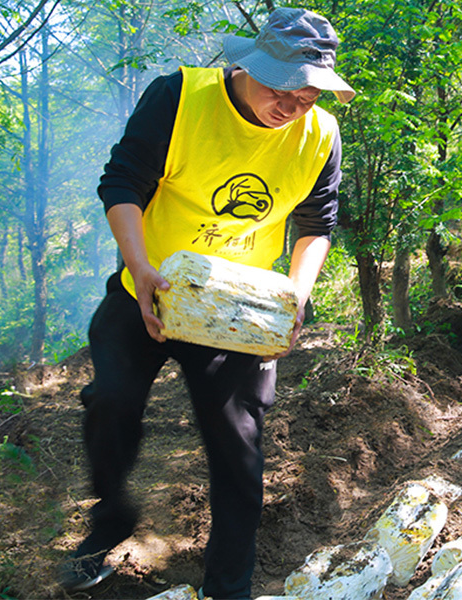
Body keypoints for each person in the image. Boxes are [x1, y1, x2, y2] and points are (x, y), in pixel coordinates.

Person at [59, 8, 354, 599]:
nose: (291, 106)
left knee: (237, 442)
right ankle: (110, 518)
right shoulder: (179, 98)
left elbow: (317, 224)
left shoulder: (319, 134)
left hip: (236, 308)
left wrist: (297, 294)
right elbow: (121, 183)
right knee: (111, 403)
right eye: (279, 89)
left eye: (307, 95)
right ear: (250, 66)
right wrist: (140, 267)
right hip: (149, 287)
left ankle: (230, 587)